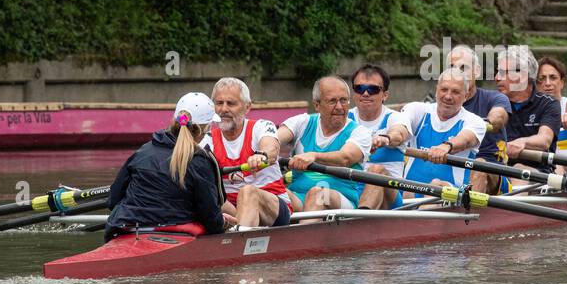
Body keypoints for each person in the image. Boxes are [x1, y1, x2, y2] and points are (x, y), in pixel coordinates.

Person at [103, 92, 230, 241]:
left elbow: (112, 201)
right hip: (174, 234)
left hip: (126, 228)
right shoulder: (200, 161)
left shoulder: (143, 151)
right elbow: (212, 221)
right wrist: (222, 222)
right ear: (203, 129)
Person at [204, 76, 290, 229]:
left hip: (273, 208)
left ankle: (235, 245)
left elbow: (271, 148)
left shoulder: (261, 127)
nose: (223, 109)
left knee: (247, 192)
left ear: (247, 107)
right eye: (219, 103)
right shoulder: (207, 139)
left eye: (230, 103)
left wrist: (261, 155)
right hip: (232, 208)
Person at [379, 69, 486, 191]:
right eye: (444, 89)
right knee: (377, 172)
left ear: (465, 96)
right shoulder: (417, 110)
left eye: (455, 92)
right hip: (410, 192)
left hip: (451, 193)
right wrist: (389, 138)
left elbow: (466, 139)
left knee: (435, 184)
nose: (448, 96)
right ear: (436, 90)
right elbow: (401, 128)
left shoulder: (475, 121)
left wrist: (446, 147)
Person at [276, 76, 373, 212]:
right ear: (317, 105)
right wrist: (264, 151)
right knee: (267, 195)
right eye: (332, 101)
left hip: (339, 199)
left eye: (343, 100)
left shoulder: (359, 132)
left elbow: (345, 158)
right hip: (298, 197)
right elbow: (273, 139)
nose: (339, 107)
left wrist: (314, 156)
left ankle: (304, 233)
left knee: (317, 194)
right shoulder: (302, 123)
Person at [448, 43, 510, 194]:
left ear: (476, 72)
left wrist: (482, 124)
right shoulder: (441, 106)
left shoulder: (495, 98)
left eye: (463, 68)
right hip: (452, 171)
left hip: (491, 173)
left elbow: (498, 117)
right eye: (452, 68)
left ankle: (469, 216)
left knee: (477, 164)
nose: (458, 73)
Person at [346, 64, 404, 209]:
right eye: (359, 88)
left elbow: (399, 133)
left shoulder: (395, 118)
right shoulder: (344, 119)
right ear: (354, 93)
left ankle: (359, 223)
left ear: (385, 95)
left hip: (389, 194)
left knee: (375, 171)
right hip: (350, 191)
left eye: (372, 89)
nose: (365, 93)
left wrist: (386, 139)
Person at [494, 45, 560, 171]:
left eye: (503, 72)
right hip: (499, 171)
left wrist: (522, 142)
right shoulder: (494, 102)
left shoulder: (549, 104)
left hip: (538, 175)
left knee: (519, 168)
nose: (497, 77)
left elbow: (544, 140)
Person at [537, 55, 567, 156]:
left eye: (553, 78)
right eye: (542, 78)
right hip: (546, 168)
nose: (547, 83)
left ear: (562, 82)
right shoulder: (530, 110)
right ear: (536, 84)